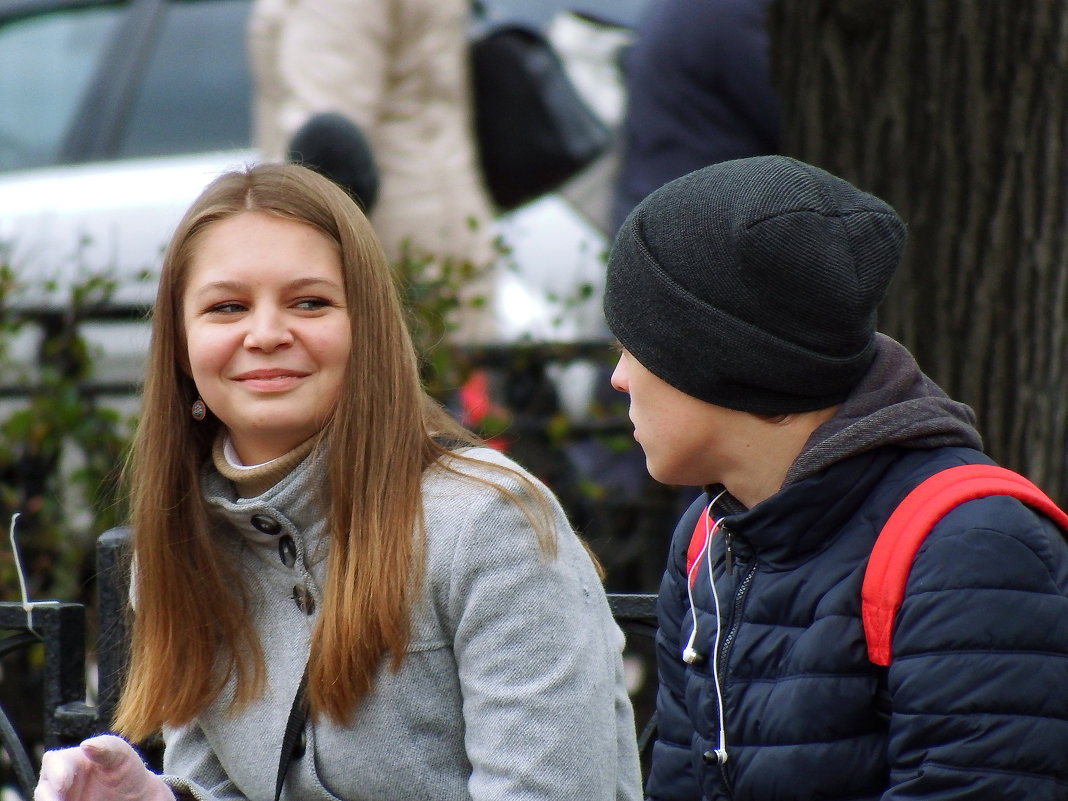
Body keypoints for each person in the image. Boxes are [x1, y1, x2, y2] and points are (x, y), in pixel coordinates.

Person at [33, 163, 643, 801]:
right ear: (182, 347)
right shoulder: (183, 547)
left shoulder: (489, 525)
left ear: (366, 331)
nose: (266, 334)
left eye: (310, 302)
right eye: (227, 307)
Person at [602, 155, 1068, 799]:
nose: (618, 377)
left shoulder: (974, 549)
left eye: (632, 346)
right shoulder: (711, 532)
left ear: (718, 359)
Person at [612, 0, 780, 232]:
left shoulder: (684, 9)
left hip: (657, 216)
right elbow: (790, 118)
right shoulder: (728, 12)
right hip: (707, 224)